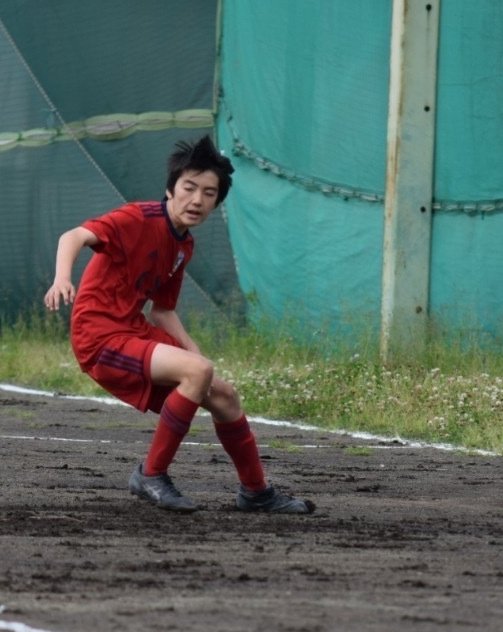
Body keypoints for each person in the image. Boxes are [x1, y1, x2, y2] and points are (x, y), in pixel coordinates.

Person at [44, 135, 313, 515]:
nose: (197, 199)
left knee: (225, 395)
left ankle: (257, 493)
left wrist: (191, 350)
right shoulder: (137, 218)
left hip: (132, 332)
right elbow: (73, 236)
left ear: (217, 202)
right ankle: (151, 475)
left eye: (209, 192)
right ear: (169, 190)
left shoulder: (183, 246)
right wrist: (61, 278)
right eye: (189, 188)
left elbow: (163, 312)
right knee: (198, 372)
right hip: (99, 338)